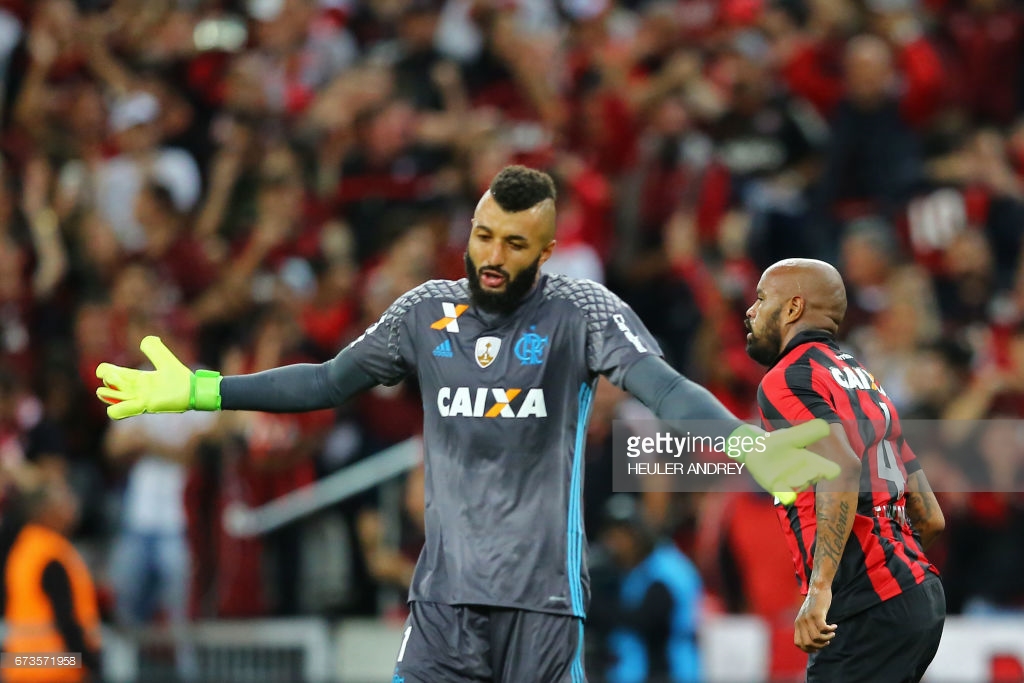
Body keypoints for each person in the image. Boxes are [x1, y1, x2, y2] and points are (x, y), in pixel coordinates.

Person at [94, 166, 839, 682]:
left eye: (514, 244)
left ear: (546, 252)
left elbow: (666, 390)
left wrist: (746, 445)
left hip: (542, 603)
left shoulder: (582, 313)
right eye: (483, 234)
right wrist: (202, 388)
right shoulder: (423, 312)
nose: (491, 255)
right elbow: (327, 381)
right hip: (444, 598)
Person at [744, 258, 947, 683]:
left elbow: (841, 467)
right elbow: (929, 515)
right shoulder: (866, 383)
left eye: (762, 298)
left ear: (793, 308)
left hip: (867, 607)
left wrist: (821, 591)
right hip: (918, 592)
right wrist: (896, 576)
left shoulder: (786, 378)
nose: (751, 310)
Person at [588, 494, 702, 683]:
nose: (614, 544)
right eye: (610, 535)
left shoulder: (667, 569)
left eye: (622, 535)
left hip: (670, 673)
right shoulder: (630, 570)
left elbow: (645, 619)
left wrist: (593, 604)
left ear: (639, 534)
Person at [0, 472, 102, 682]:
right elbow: (65, 618)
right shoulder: (50, 553)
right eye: (65, 501)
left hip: (21, 663)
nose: (73, 506)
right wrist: (90, 661)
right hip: (51, 666)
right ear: (45, 511)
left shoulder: (24, 548)